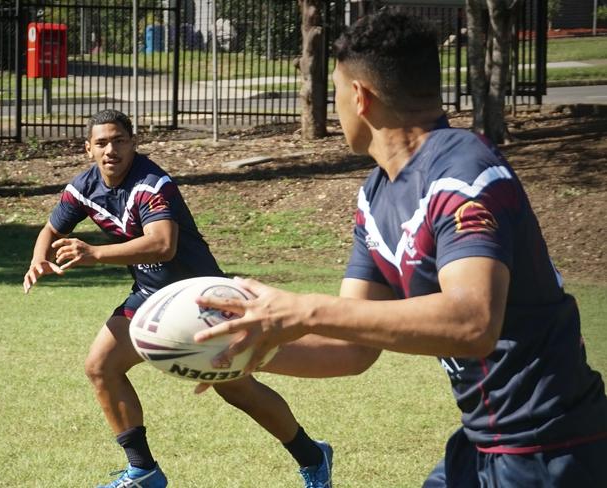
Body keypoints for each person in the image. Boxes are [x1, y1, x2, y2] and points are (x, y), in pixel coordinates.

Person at [194, 11, 607, 487]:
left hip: (551, 449)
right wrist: (244, 349)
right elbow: (351, 349)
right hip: (482, 446)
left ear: (359, 97)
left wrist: (302, 310)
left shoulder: (464, 174)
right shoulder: (376, 195)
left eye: (334, 93)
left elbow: (472, 322)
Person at [22, 109, 333, 488]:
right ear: (88, 149)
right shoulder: (84, 187)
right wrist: (39, 258)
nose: (111, 150)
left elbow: (163, 245)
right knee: (100, 366)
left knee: (236, 387)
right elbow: (51, 229)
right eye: (101, 143)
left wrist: (95, 254)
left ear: (133, 143)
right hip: (150, 296)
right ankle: (143, 470)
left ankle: (313, 457)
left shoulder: (152, 183)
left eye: (119, 140)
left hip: (199, 296)